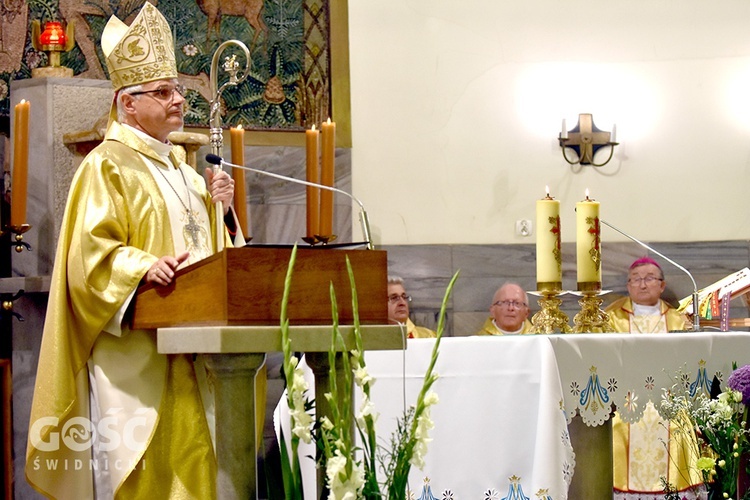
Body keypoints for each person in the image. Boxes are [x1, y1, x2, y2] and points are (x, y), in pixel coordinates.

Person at [25, 4, 244, 498]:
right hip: (138, 360)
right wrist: (144, 266)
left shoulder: (189, 173)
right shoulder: (106, 166)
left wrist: (224, 214)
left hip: (195, 354)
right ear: (127, 103)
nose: (177, 101)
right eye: (163, 92)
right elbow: (90, 257)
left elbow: (213, 258)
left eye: (179, 91)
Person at [605, 257, 703, 499]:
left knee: (679, 426)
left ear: (662, 285)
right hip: (626, 397)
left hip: (667, 396)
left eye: (649, 278)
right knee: (619, 424)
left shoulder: (679, 318)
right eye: (636, 279)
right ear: (628, 286)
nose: (642, 284)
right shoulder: (609, 318)